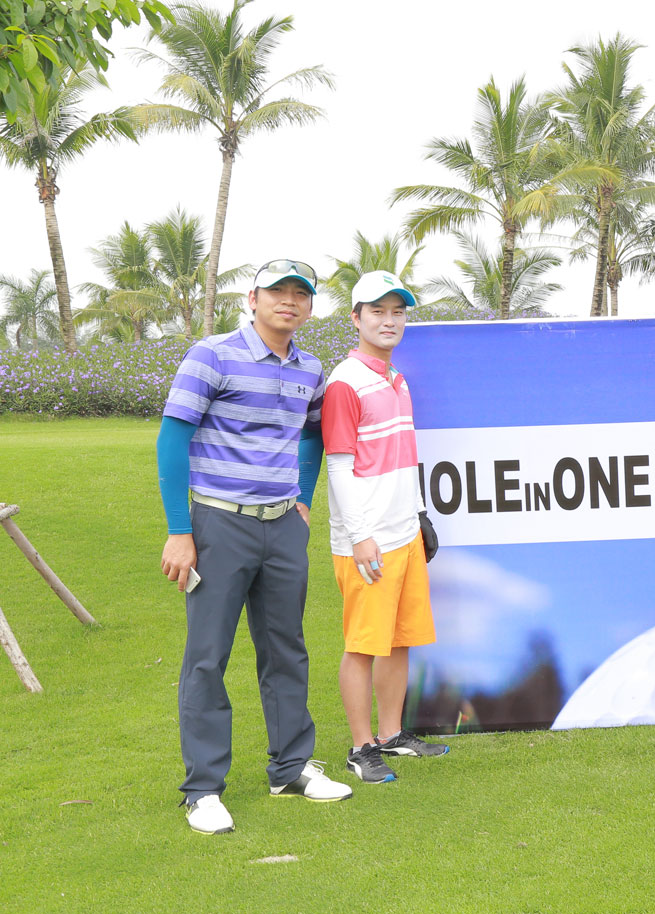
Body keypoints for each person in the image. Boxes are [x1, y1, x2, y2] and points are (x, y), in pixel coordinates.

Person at [158, 259, 353, 836]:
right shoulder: (211, 355)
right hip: (219, 524)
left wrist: (304, 499)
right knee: (207, 655)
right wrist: (179, 530)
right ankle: (203, 789)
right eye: (277, 292)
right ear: (252, 298)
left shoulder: (309, 368)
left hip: (282, 525)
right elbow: (173, 439)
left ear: (310, 306)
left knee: (286, 648)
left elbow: (312, 436)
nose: (289, 302)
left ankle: (290, 767)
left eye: (300, 294)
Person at [321, 270, 448, 785]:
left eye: (397, 312)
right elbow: (338, 466)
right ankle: (361, 747)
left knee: (399, 640)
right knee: (363, 644)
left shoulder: (398, 380)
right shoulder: (344, 383)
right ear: (356, 318)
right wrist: (360, 535)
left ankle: (392, 734)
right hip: (367, 540)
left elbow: (404, 458)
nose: (389, 320)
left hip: (402, 533)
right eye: (377, 311)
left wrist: (419, 515)